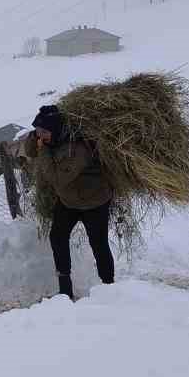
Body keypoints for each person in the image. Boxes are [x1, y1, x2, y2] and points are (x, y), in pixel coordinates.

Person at [29, 105, 114, 300]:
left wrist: (42, 151)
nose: (40, 136)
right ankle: (65, 289)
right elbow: (31, 150)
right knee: (57, 237)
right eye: (38, 131)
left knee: (98, 244)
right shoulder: (48, 140)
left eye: (44, 132)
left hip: (95, 201)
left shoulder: (78, 149)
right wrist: (35, 139)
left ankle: (109, 288)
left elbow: (57, 178)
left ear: (56, 130)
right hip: (68, 201)